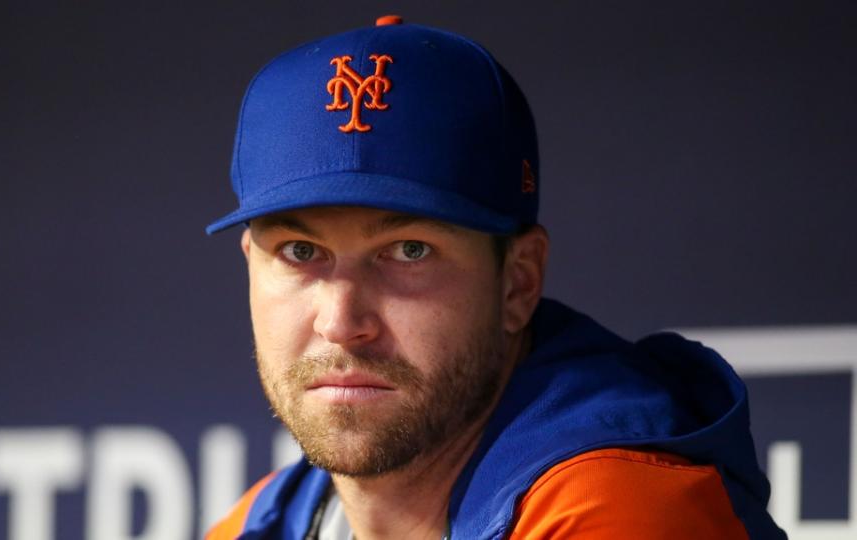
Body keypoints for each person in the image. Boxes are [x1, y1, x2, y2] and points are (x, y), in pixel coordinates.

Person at [203, 15, 786, 540]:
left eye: (409, 251)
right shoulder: (265, 520)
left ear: (518, 282)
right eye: (301, 251)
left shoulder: (618, 510)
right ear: (251, 262)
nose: (340, 322)